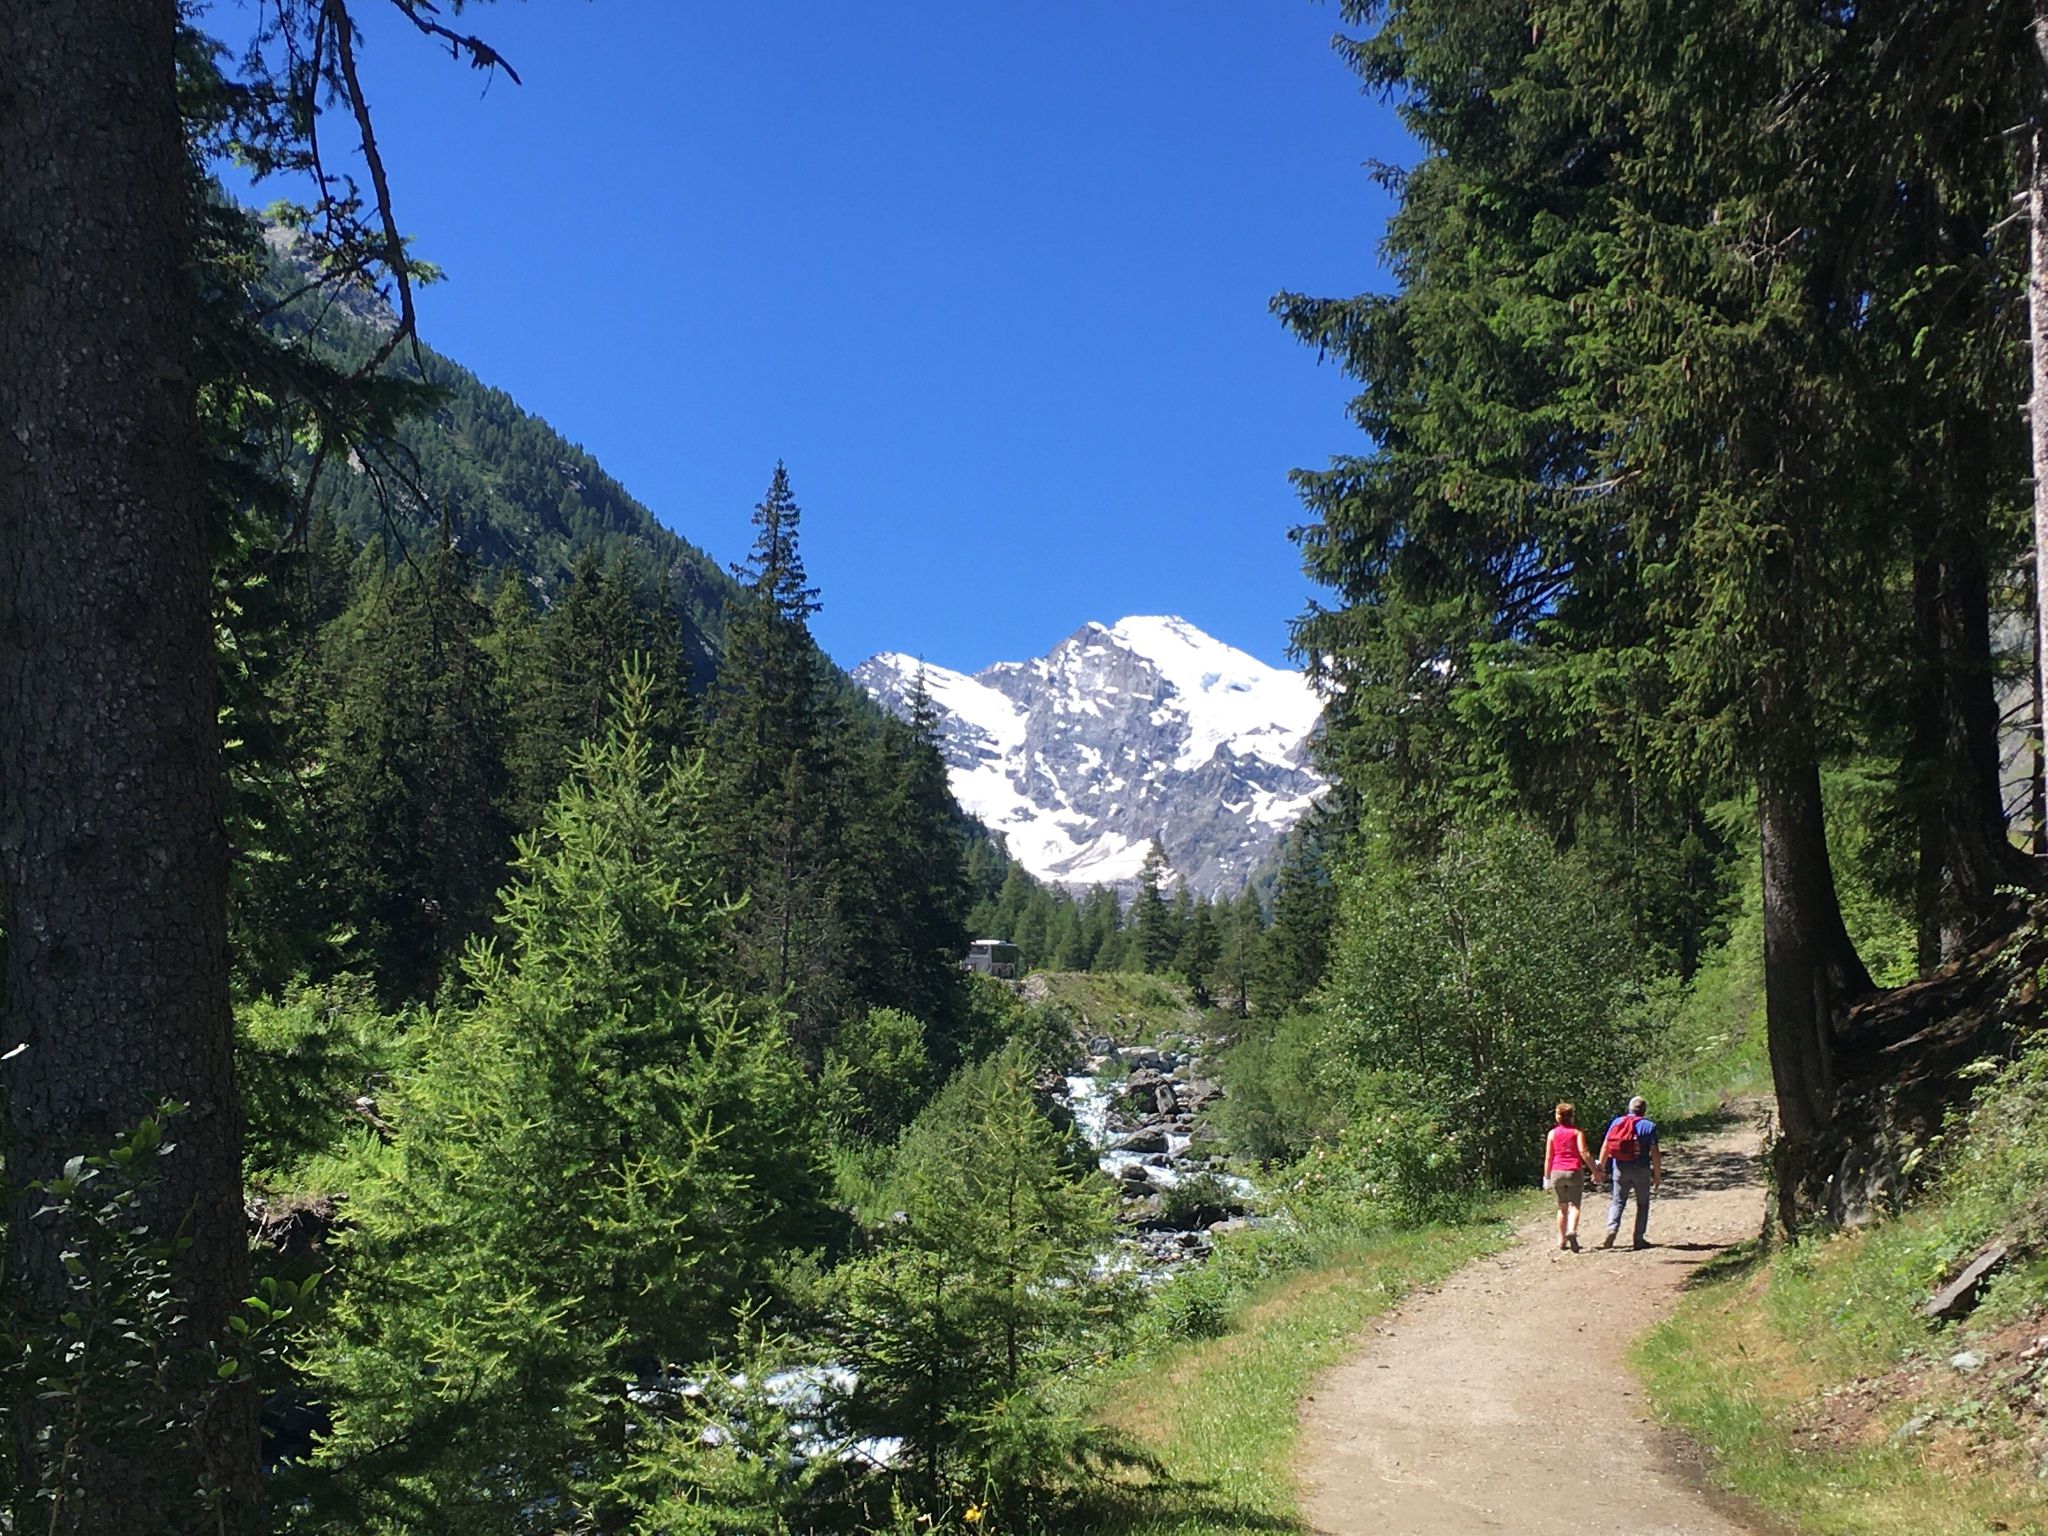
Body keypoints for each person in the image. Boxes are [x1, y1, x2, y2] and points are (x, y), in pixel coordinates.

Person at [1595, 1095, 1662, 1249]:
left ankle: (1612, 1229)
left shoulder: (1617, 1122)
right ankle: (1638, 1239)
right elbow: (1655, 1153)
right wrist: (1657, 1175)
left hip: (1620, 1168)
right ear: (1644, 1110)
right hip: (1641, 1169)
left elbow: (1606, 1146)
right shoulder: (1649, 1126)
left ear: (1629, 1109)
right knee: (1642, 1204)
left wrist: (1600, 1168)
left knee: (1618, 1201)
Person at [1541, 1101, 1595, 1252]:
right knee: (1574, 1205)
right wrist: (1595, 1170)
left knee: (1562, 1207)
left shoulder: (1552, 1134)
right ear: (1572, 1116)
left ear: (1557, 1117)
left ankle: (1561, 1240)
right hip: (1574, 1171)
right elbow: (1583, 1153)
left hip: (1557, 1172)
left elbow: (1548, 1157)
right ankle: (1571, 1230)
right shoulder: (1577, 1132)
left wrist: (1546, 1177)